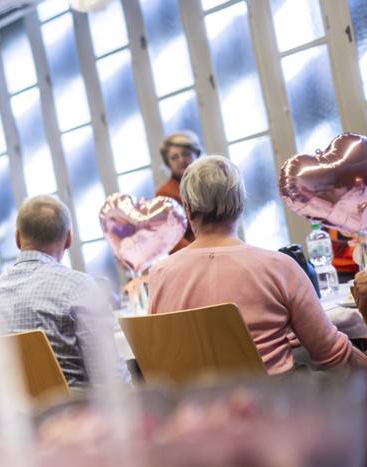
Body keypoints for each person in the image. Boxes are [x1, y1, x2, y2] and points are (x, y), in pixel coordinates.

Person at [148, 155, 367, 374]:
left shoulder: (161, 274)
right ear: (241, 203)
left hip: (195, 395)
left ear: (187, 208)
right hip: (276, 395)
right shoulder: (279, 267)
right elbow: (332, 354)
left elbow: (160, 355)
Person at [0, 194, 121, 388]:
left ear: (17, 239)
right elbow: (112, 379)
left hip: (11, 407)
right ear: (69, 239)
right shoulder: (80, 287)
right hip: (77, 407)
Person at [156, 131, 204, 253]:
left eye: (185, 154)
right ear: (168, 163)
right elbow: (171, 238)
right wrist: (199, 255)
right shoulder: (165, 194)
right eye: (174, 157)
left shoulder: (210, 183)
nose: (181, 160)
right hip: (192, 255)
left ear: (197, 154)